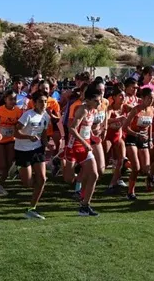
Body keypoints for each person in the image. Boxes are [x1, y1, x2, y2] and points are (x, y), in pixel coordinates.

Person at [65, 84, 102, 217]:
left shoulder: (93, 111)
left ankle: (85, 206)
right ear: (89, 100)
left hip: (85, 146)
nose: (99, 103)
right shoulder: (82, 110)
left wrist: (92, 135)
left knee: (94, 175)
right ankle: (58, 163)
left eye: (100, 100)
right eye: (96, 101)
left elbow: (86, 128)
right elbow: (72, 129)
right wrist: (84, 143)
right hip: (74, 146)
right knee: (68, 179)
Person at [15, 91, 52, 219]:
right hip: (22, 150)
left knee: (42, 179)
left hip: (37, 150)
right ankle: (17, 168)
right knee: (28, 183)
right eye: (41, 101)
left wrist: (47, 144)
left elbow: (44, 134)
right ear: (34, 103)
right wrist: (28, 136)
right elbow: (16, 132)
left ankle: (32, 208)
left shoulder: (46, 117)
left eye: (45, 101)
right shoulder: (27, 115)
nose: (43, 104)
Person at [0, 90, 23, 195]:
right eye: (10, 99)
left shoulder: (19, 111)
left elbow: (21, 126)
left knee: (8, 164)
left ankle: (0, 185)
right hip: (0, 140)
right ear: (5, 99)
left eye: (15, 99)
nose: (13, 101)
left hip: (12, 140)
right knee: (2, 165)